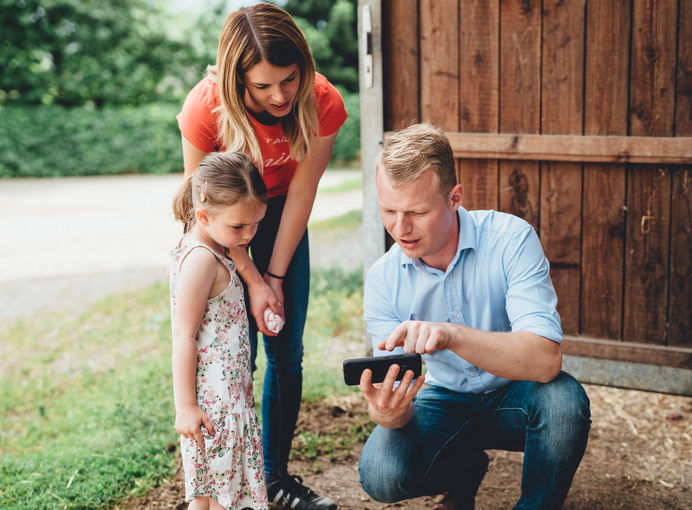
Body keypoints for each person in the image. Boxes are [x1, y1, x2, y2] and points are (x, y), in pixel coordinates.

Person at [358, 123, 591, 510]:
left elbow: (546, 360)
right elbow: (394, 395)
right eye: (389, 211)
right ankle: (464, 473)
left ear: (454, 198)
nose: (401, 229)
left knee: (564, 404)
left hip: (520, 394)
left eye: (417, 211)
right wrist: (386, 412)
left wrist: (450, 335)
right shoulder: (382, 279)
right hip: (444, 399)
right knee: (381, 474)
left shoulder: (511, 239)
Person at [176, 4, 346, 509]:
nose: (279, 96)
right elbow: (199, 206)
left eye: (288, 80)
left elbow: (302, 193)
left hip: (283, 223)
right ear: (236, 79)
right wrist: (248, 275)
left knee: (285, 348)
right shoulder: (203, 110)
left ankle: (274, 478)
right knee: (233, 356)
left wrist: (273, 275)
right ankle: (225, 482)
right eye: (262, 86)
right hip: (221, 231)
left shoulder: (322, 101)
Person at [170, 152, 269, 510]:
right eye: (238, 227)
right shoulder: (201, 259)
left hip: (228, 400)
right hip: (215, 408)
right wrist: (186, 406)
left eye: (256, 223)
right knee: (215, 496)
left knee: (216, 494)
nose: (248, 235)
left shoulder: (215, 248)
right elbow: (183, 336)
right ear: (203, 215)